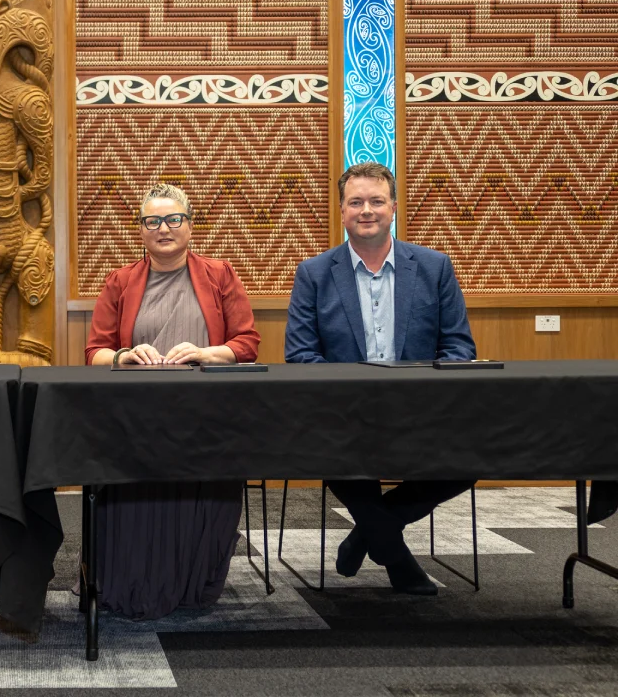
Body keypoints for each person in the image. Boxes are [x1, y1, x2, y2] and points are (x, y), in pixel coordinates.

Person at [285, 162, 476, 596]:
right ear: (342, 211)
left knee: (470, 461)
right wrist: (349, 394)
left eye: (375, 201)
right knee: (337, 456)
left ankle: (367, 533)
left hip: (419, 412)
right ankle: (397, 557)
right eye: (356, 202)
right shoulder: (313, 273)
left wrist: (423, 393)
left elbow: (460, 348)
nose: (365, 210)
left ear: (393, 207)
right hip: (342, 416)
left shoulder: (434, 267)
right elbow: (300, 356)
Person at [84, 183, 261, 619]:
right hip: (136, 419)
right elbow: (95, 352)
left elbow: (248, 343)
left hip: (206, 417)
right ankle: (131, 582)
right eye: (152, 221)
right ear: (141, 231)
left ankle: (193, 583)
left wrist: (206, 353)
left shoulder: (220, 274)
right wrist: (126, 356)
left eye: (173, 219)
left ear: (190, 225)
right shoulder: (120, 281)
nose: (163, 228)